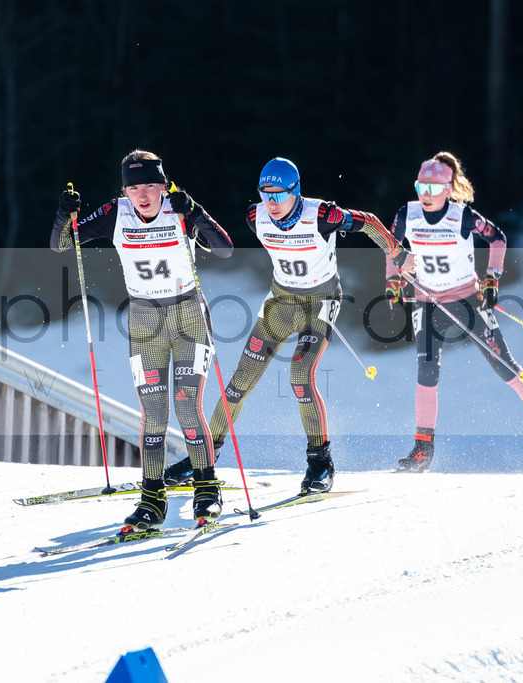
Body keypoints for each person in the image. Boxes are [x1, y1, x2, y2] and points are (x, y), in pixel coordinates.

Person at [164, 157, 408, 494]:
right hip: (280, 303)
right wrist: (190, 214)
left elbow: (368, 221)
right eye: (266, 194)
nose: (272, 202)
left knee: (300, 375)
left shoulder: (322, 215)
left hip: (320, 303)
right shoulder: (255, 216)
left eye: (280, 194)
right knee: (239, 382)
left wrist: (396, 253)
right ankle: (203, 456)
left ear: (296, 191)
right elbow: (218, 240)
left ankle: (321, 463)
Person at [51, 150, 234, 529]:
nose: (144, 195)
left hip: (187, 314)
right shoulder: (115, 213)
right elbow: (61, 244)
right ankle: (152, 499)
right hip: (144, 318)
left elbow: (225, 248)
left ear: (163, 184)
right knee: (153, 413)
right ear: (125, 190)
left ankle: (206, 489)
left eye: (151, 185)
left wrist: (196, 212)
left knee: (186, 406)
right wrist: (63, 213)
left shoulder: (178, 207)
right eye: (135, 187)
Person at [384, 151, 523, 472]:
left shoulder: (463, 217)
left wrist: (492, 279)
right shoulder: (406, 215)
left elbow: (497, 239)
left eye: (432, 188)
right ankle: (422, 450)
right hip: (428, 302)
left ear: (448, 188)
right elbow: (392, 247)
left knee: (506, 367)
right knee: (427, 372)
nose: (424, 195)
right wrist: (393, 281)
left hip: (467, 300)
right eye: (420, 187)